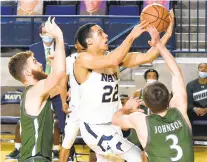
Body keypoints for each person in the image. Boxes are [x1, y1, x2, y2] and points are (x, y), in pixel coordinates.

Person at [74, 10, 174, 161]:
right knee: (137, 156)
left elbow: (148, 56)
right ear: (89, 41)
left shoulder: (115, 58)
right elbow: (113, 60)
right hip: (94, 127)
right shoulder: (83, 59)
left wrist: (167, 33)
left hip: (113, 124)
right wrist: (132, 35)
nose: (106, 35)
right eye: (100, 33)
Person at [112, 25, 194, 162]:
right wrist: (159, 45)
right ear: (169, 97)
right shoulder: (179, 111)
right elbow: (176, 73)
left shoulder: (140, 119)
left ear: (146, 105)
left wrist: (127, 108)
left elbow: (115, 119)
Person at [8, 17, 66, 162]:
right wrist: (58, 36)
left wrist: (54, 66)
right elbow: (60, 74)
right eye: (34, 62)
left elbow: (58, 86)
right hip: (35, 159)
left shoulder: (34, 92)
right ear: (28, 72)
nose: (40, 63)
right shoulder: (35, 90)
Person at [60, 36, 97, 162]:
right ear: (75, 45)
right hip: (75, 108)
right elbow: (62, 82)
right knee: (67, 142)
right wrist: (64, 101)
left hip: (94, 108)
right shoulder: (69, 60)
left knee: (97, 145)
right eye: (80, 43)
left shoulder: (97, 59)